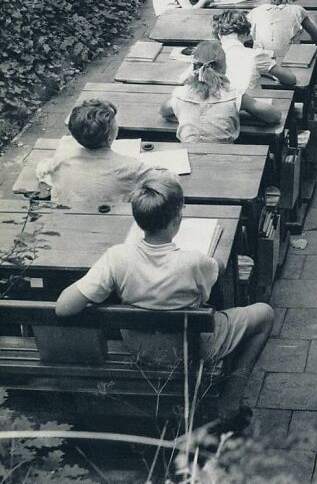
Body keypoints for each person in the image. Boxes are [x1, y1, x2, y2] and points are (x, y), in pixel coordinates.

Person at [55, 171, 274, 431]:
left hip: (140, 348)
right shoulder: (193, 262)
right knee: (265, 314)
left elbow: (63, 307)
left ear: (138, 218)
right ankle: (232, 394)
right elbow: (220, 267)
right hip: (191, 350)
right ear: (178, 218)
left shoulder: (117, 257)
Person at [35, 100, 151, 209]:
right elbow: (161, 181)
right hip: (111, 219)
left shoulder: (62, 158)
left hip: (65, 216)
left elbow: (43, 168)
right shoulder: (131, 167)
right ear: (111, 135)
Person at [160, 40, 281, 143]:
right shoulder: (233, 95)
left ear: (194, 67)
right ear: (224, 68)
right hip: (224, 158)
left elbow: (163, 111)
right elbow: (274, 116)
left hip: (188, 155)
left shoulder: (180, 95)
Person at [211, 9, 297, 95]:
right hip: (251, 101)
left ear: (219, 35)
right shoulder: (255, 55)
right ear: (245, 34)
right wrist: (269, 72)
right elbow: (291, 79)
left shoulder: (210, 56)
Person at [248, 0, 317, 59]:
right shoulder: (297, 10)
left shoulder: (255, 12)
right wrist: (311, 18)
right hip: (288, 59)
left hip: (261, 60)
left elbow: (245, 36)